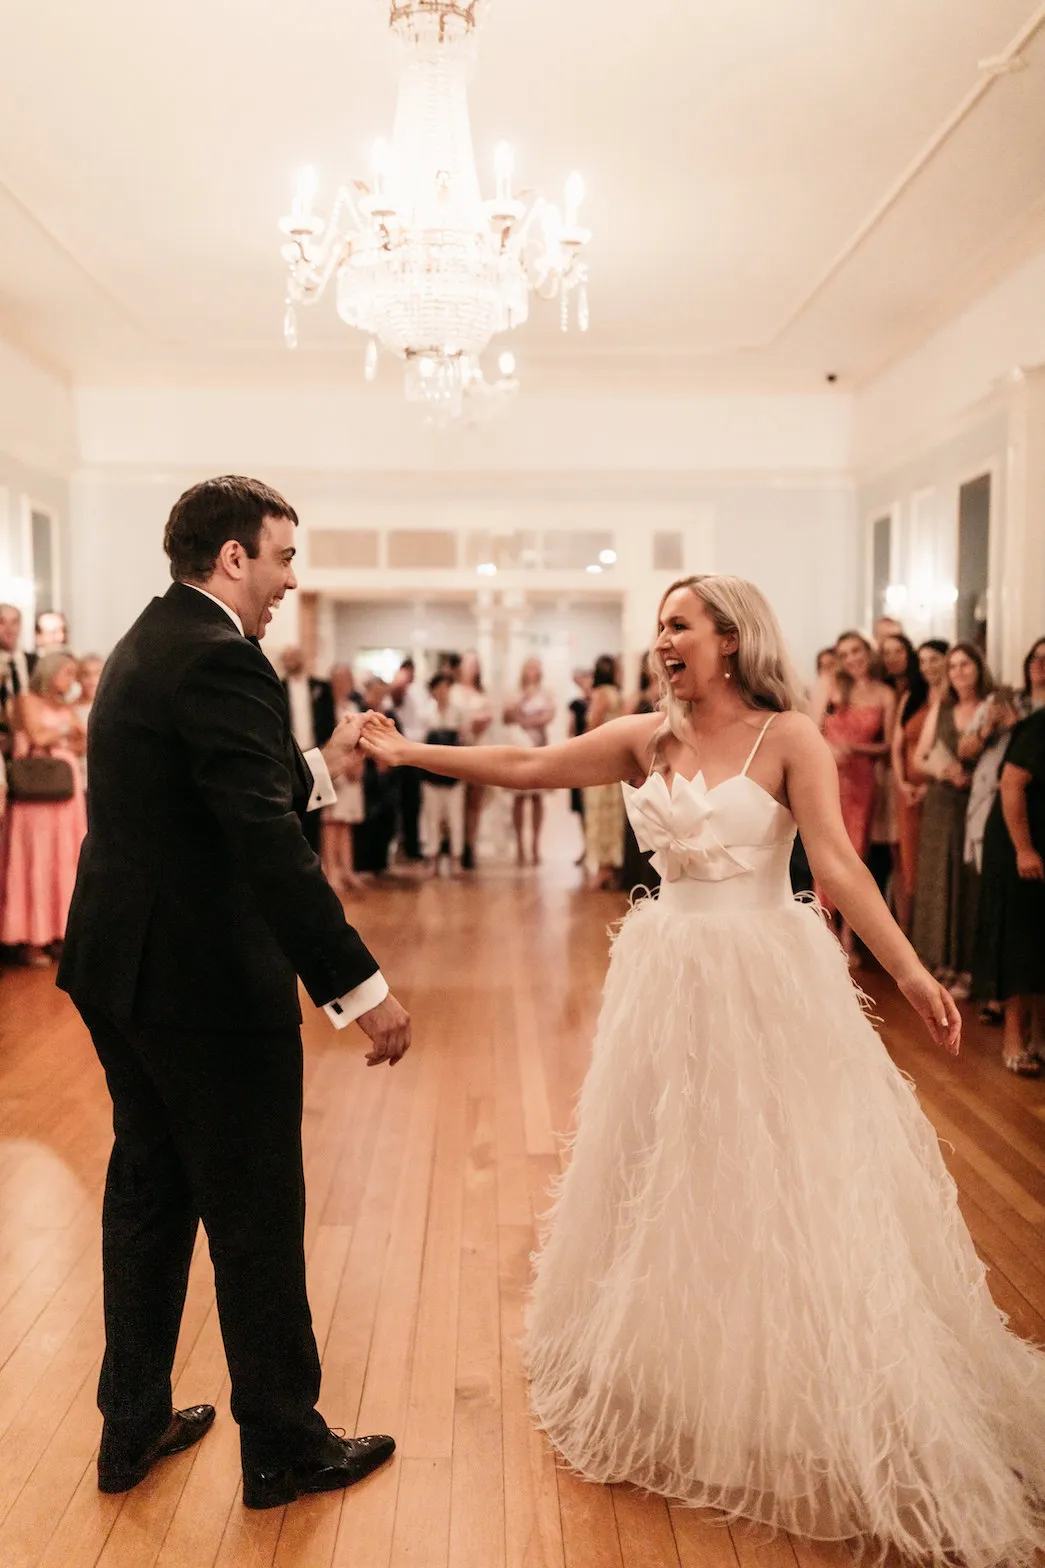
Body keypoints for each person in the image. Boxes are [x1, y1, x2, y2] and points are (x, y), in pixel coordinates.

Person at [360, 574, 1045, 1564]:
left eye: (679, 623)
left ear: (730, 637)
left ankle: (794, 1375)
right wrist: (407, 749)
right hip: (667, 974)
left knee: (778, 1168)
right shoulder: (648, 735)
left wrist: (910, 970)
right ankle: (687, 1364)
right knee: (668, 1167)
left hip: (764, 977)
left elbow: (838, 865)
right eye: (659, 625)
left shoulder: (790, 737)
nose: (662, 638)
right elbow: (531, 759)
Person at [56, 476, 410, 1510]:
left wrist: (317, 762)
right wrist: (359, 983)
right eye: (284, 556)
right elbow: (259, 839)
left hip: (119, 966)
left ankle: (130, 1426)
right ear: (231, 558)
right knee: (254, 1208)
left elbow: (205, 796)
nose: (291, 581)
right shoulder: (221, 655)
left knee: (151, 1191)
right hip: (201, 982)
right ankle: (286, 1444)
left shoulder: (150, 638)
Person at [912, 642, 994, 999]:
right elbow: (919, 757)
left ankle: (968, 967)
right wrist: (943, 771)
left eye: (966, 665)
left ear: (978, 668)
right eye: (954, 666)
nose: (959, 672)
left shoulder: (991, 708)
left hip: (978, 802)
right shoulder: (941, 708)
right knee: (939, 877)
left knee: (970, 881)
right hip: (943, 801)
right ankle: (940, 961)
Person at [0, 650, 87, 966]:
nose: (72, 680)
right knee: (35, 862)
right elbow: (37, 734)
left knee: (63, 861)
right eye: (67, 672)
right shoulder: (25, 700)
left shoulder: (64, 706)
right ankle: (30, 940)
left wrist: (64, 737)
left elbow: (83, 740)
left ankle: (58, 934)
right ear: (50, 672)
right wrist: (63, 735)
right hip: (37, 796)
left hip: (65, 793)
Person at [813, 630, 895, 961]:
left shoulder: (885, 694)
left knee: (855, 856)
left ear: (867, 652)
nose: (852, 659)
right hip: (826, 777)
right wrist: (830, 748)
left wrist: (855, 748)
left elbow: (888, 745)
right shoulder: (832, 685)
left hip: (861, 780)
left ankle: (849, 933)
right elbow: (810, 727)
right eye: (845, 654)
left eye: (856, 651)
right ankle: (826, 930)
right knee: (825, 851)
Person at [974, 708, 1045, 1075]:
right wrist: (1024, 849)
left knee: (1042, 941)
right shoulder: (1040, 725)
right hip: (1019, 841)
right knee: (1020, 938)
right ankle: (1014, 1039)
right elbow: (1011, 783)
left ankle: (1040, 1039)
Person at [890, 639, 947, 932]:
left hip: (939, 790)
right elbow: (897, 743)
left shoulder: (952, 699)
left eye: (934, 659)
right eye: (922, 661)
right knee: (908, 863)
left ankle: (930, 933)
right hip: (908, 791)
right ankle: (908, 932)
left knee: (935, 864)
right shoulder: (913, 695)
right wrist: (901, 781)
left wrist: (931, 787)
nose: (927, 667)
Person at [281, 647, 336, 855]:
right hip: (290, 755)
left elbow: (329, 720)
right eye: (288, 658)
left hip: (317, 751)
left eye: (295, 656)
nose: (291, 661)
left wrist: (327, 748)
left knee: (315, 812)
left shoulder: (320, 687)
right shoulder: (279, 686)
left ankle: (314, 860)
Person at [503, 657, 555, 866]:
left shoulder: (545, 692)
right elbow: (506, 716)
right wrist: (522, 701)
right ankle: (519, 845)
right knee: (518, 797)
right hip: (519, 746)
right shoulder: (516, 693)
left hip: (539, 745)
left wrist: (526, 720)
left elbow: (548, 716)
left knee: (537, 798)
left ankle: (535, 844)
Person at [582, 654, 625, 889]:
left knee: (600, 816)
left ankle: (602, 868)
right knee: (612, 815)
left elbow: (593, 725)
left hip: (600, 760)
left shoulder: (600, 695)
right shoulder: (617, 695)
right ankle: (610, 864)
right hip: (613, 760)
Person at [322, 665, 365, 896]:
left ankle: (347, 869)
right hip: (333, 768)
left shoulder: (354, 707)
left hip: (352, 771)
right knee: (331, 821)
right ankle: (332, 871)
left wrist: (357, 765)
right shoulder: (326, 708)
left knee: (346, 821)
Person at [419, 671, 467, 874]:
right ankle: (433, 858)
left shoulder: (458, 713)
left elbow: (465, 740)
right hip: (431, 774)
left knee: (455, 818)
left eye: (447, 687)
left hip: (453, 774)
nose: (443, 692)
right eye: (439, 687)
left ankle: (456, 858)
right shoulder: (426, 713)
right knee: (432, 817)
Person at [452, 650, 494, 869]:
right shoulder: (454, 691)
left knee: (474, 802)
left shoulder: (482, 693)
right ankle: (454, 845)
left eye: (475, 664)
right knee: (456, 800)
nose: (471, 668)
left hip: (478, 748)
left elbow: (489, 716)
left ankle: (470, 844)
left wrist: (482, 722)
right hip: (458, 748)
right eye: (468, 664)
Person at [389, 658, 425, 861]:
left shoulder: (417, 695)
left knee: (413, 804)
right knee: (397, 803)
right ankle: (399, 845)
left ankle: (412, 845)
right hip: (397, 755)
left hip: (414, 755)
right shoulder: (394, 696)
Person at [0, 602, 31, 760]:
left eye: (14, 622)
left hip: (31, 732)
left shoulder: (34, 661)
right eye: (2, 622)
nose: (9, 629)